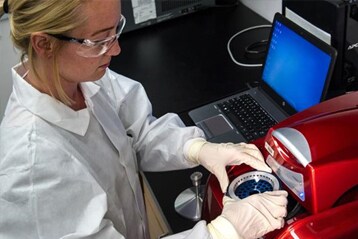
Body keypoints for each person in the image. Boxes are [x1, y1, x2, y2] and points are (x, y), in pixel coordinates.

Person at [0, 0, 288, 238]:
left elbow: (139, 131)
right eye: (100, 40)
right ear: (44, 45)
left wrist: (197, 149)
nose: (115, 49)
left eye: (116, 31)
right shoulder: (32, 170)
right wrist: (224, 232)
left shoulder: (79, 78)